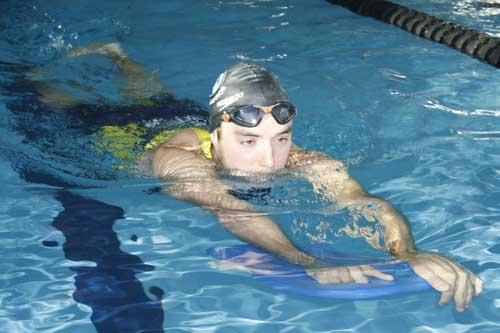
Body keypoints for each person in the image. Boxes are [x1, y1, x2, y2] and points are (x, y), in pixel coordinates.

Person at [34, 42, 483, 312]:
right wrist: (309, 262)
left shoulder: (303, 159)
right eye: (249, 142)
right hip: (115, 133)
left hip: (176, 115)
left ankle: (118, 56)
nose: (271, 160)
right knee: (63, 103)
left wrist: (409, 251)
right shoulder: (179, 160)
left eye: (282, 137)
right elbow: (231, 208)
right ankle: (32, 74)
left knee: (153, 94)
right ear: (219, 132)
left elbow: (362, 201)